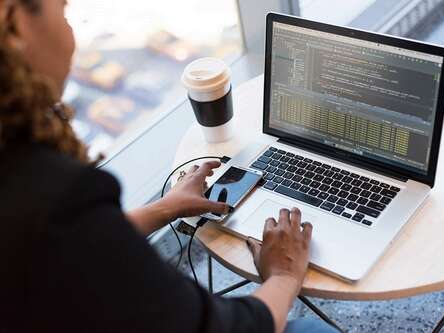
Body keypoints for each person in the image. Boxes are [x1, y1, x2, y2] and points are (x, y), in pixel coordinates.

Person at [0, 1, 339, 332]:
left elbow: (64, 245)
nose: (70, 29)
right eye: (63, 8)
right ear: (15, 25)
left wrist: (164, 208)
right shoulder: (58, 195)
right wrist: (283, 275)